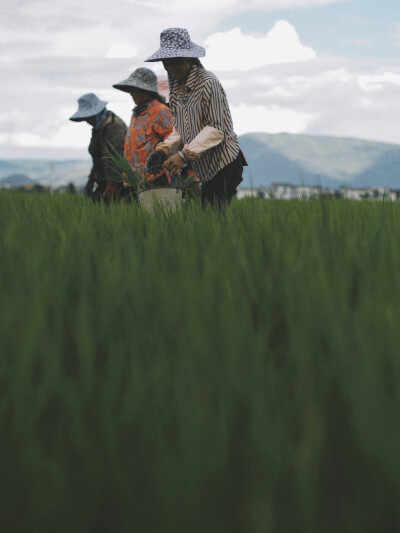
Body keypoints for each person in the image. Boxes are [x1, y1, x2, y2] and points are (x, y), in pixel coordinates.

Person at [145, 27, 246, 209]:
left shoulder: (208, 83)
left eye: (175, 61)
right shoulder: (176, 87)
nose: (170, 67)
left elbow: (217, 128)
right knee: (209, 216)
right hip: (205, 166)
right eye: (166, 62)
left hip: (225, 163)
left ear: (190, 59)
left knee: (213, 215)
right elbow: (180, 127)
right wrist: (164, 150)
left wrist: (183, 155)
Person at [113, 68, 173, 187]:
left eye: (134, 89)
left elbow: (173, 143)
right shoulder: (136, 114)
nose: (131, 93)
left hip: (155, 179)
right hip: (135, 181)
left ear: (146, 90)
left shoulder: (161, 112)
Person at [69, 93, 127, 201]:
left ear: (96, 113)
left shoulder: (114, 126)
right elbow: (98, 157)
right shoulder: (99, 127)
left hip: (117, 186)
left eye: (87, 117)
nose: (86, 120)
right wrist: (91, 181)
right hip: (103, 182)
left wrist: (114, 184)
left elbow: (119, 157)